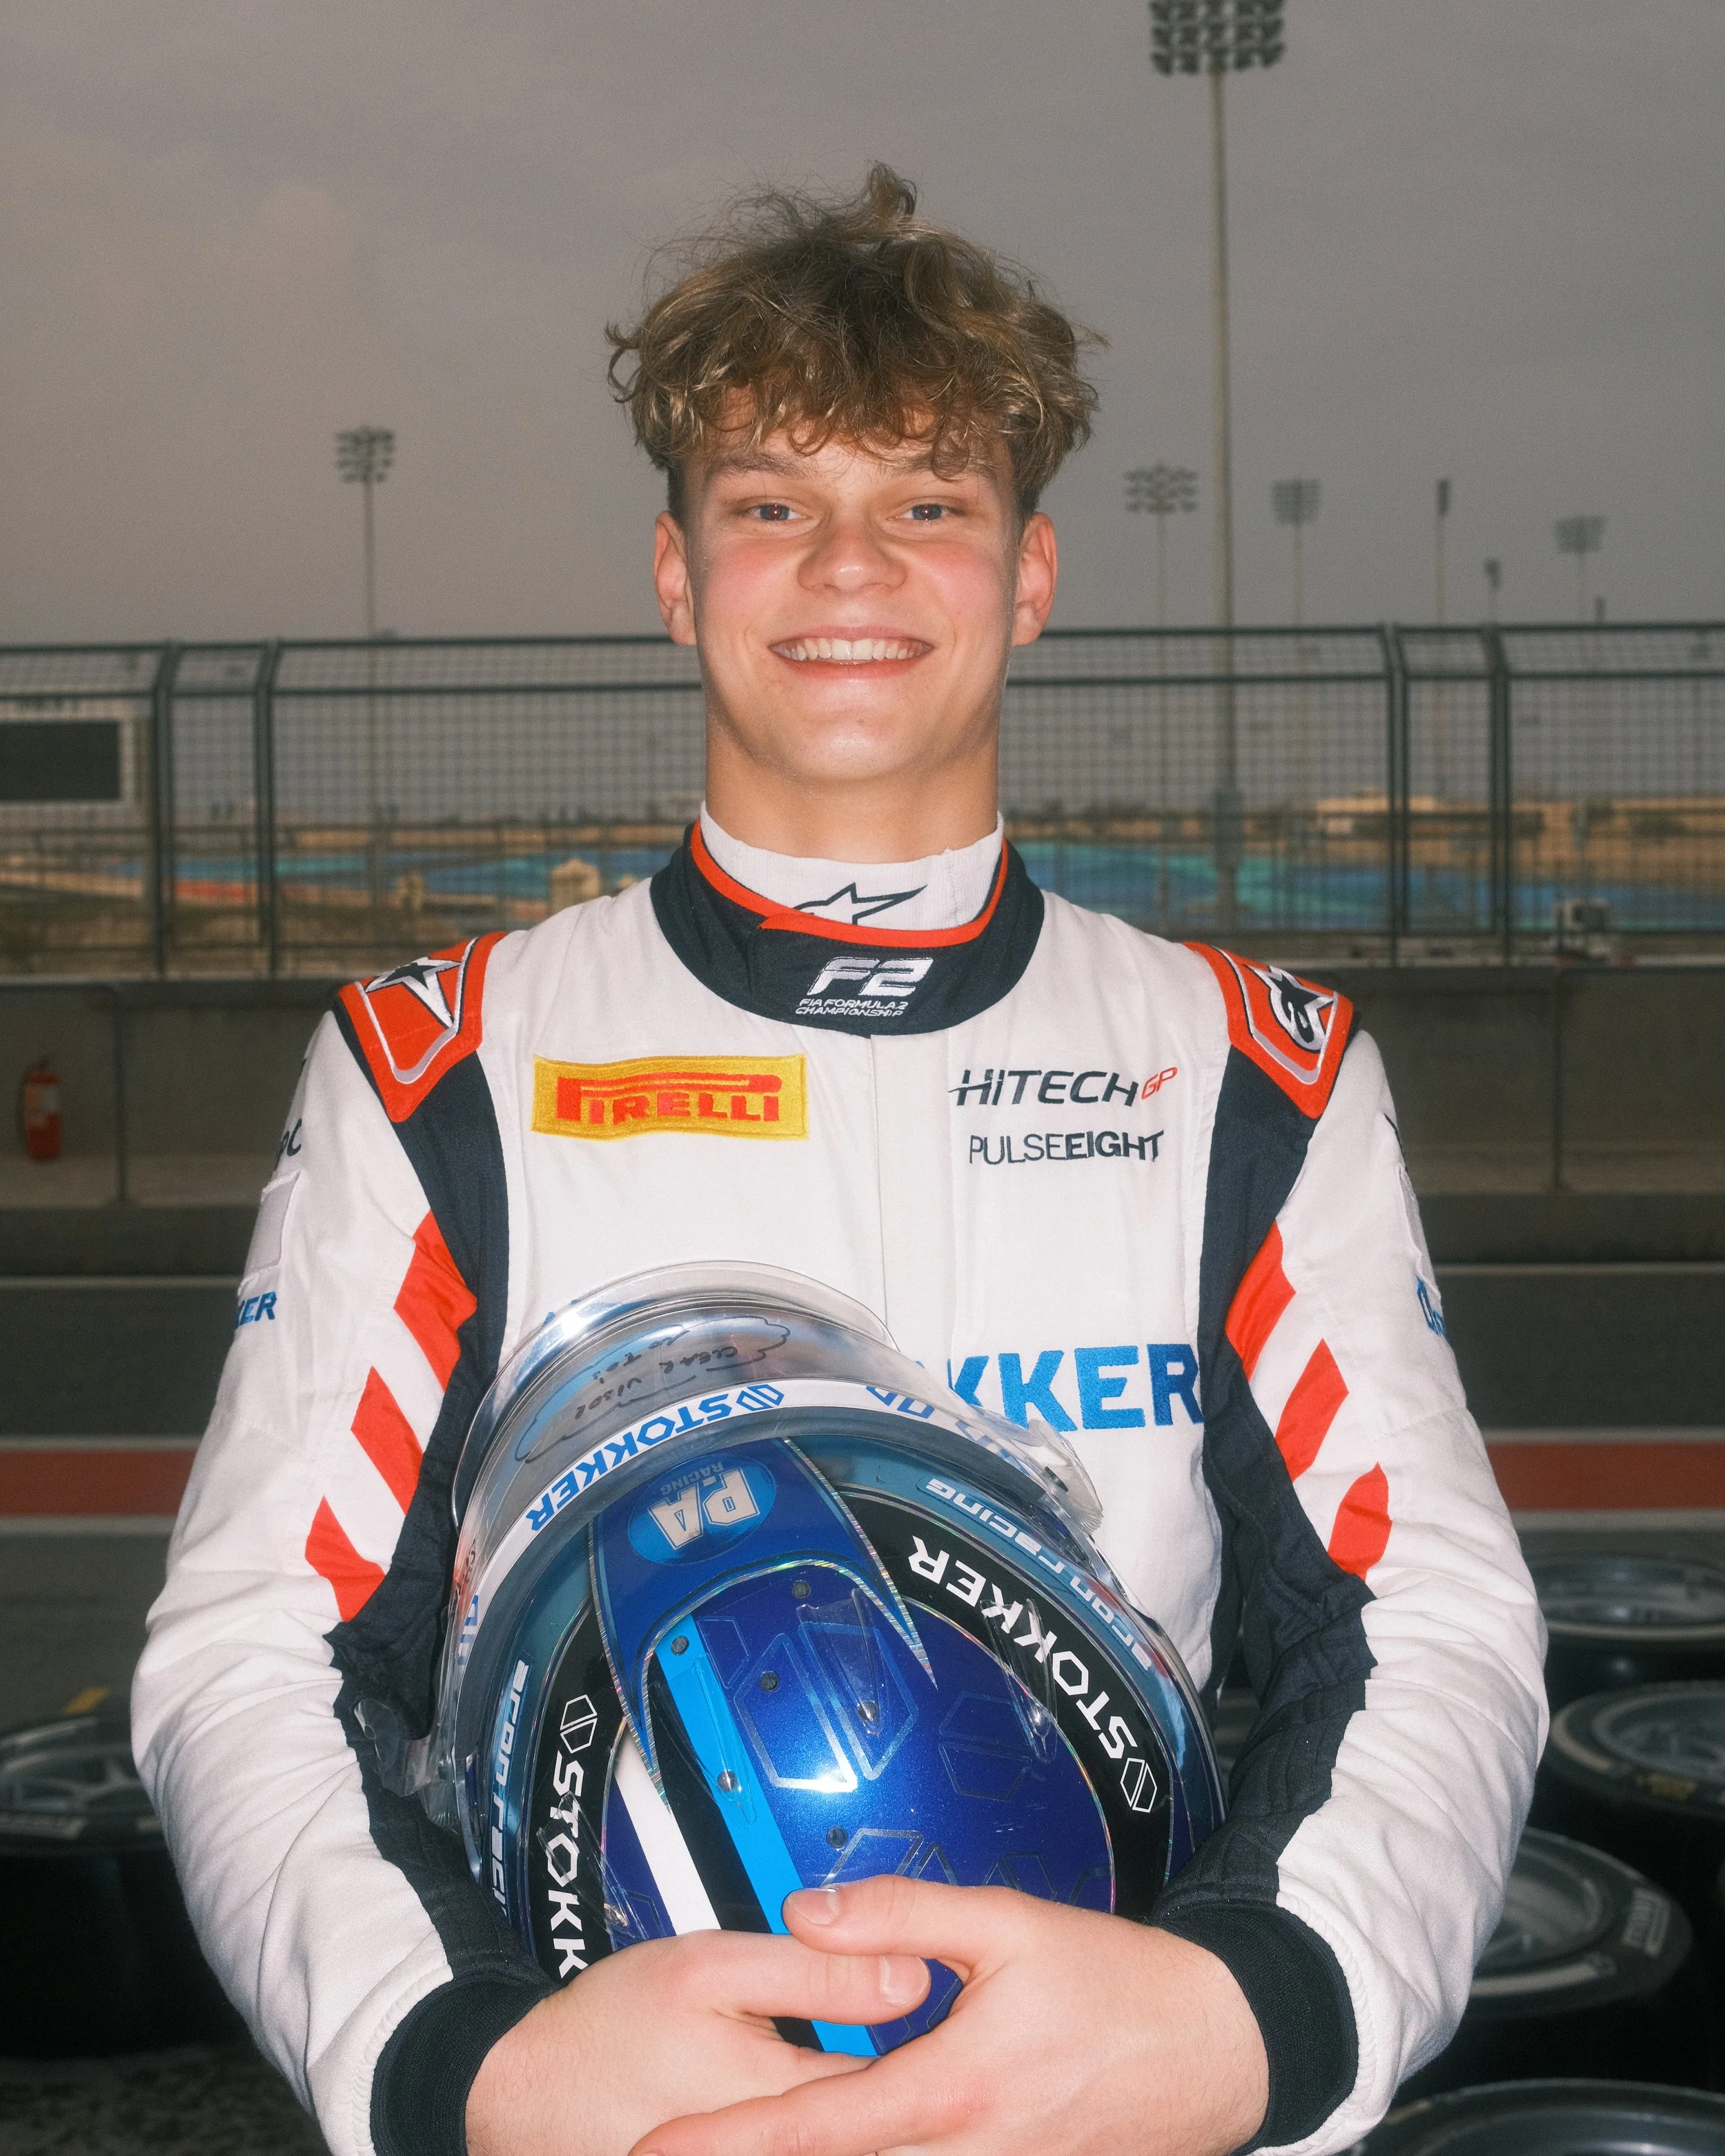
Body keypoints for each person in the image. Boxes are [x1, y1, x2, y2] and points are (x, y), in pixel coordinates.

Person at [133, 166, 1544, 2156]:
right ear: (675, 572)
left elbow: (1425, 1626)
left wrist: (1264, 2013)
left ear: (1031, 572)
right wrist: (462, 2065)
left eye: (927, 502)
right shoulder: (440, 1062)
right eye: (772, 502)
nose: (849, 565)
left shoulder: (1249, 1068)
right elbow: (257, 1645)